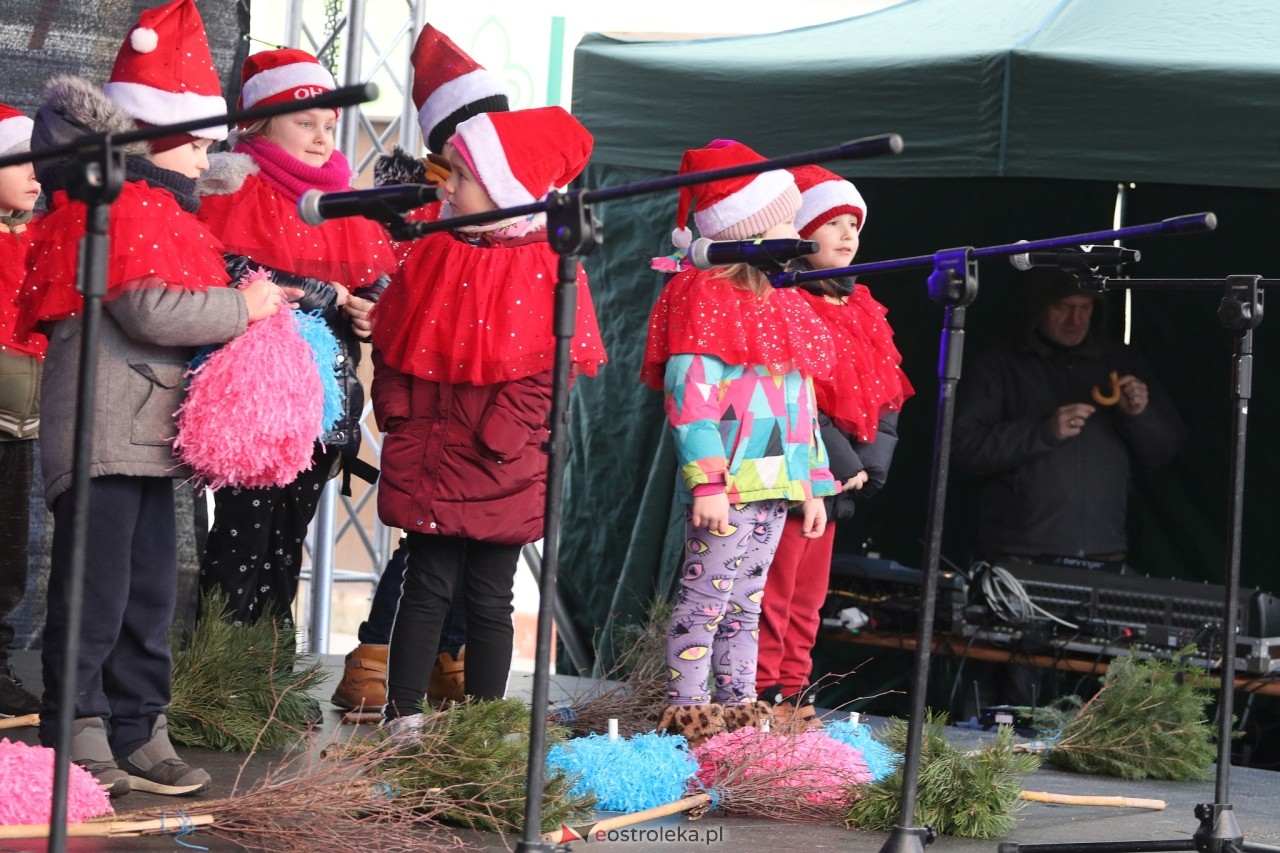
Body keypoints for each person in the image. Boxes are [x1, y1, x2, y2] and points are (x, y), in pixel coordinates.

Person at [19, 0, 296, 796]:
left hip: (146, 437)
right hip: (101, 436)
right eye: (200, 146)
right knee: (95, 590)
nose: (206, 163)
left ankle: (142, 725)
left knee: (150, 590)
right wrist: (241, 311)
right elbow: (148, 307)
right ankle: (77, 723)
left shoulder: (163, 210)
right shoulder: (115, 207)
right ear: (156, 136)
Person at [370, 105, 607, 733]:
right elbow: (393, 342)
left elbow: (553, 370)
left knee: (489, 598)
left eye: (463, 177)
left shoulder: (544, 265)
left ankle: (480, 727)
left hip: (499, 463)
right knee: (425, 586)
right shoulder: (436, 251)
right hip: (431, 451)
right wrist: (398, 412)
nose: (445, 185)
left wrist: (501, 437)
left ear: (502, 191)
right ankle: (404, 716)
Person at [330, 22, 511, 713]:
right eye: (485, 125)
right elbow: (379, 272)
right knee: (429, 546)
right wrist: (377, 308)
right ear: (453, 134)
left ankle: (450, 657)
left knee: (477, 544)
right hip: (432, 390)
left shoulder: (505, 204)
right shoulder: (414, 199)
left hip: (487, 390)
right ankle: (375, 658)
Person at [641, 140, 837, 746]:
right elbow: (690, 397)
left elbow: (803, 408)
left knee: (747, 608)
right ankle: (688, 718)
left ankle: (738, 714)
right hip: (730, 488)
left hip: (777, 486)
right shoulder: (704, 298)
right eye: (783, 219)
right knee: (705, 605)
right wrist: (707, 480)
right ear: (747, 231)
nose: (795, 229)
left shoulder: (784, 304)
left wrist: (815, 486)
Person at [194, 48, 396, 629]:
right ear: (260, 123)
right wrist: (319, 290)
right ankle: (218, 675)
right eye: (304, 123)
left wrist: (369, 308)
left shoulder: (340, 199)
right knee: (242, 536)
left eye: (329, 126)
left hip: (325, 398)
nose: (319, 139)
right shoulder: (234, 186)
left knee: (290, 537)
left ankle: (272, 670)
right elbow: (228, 267)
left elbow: (372, 277)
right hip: (257, 402)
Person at [952, 267, 1186, 705]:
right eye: (1063, 307)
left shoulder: (1120, 362)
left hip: (1105, 559)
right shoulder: (1000, 363)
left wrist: (1142, 413)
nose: (1075, 319)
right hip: (1022, 559)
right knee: (1017, 699)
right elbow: (962, 449)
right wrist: (1043, 430)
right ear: (1038, 310)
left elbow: (1165, 450)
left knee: (1105, 693)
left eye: (1085, 309)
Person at [755, 164, 913, 730]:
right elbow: (795, 398)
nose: (849, 235)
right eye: (833, 222)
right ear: (802, 232)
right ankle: (763, 695)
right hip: (796, 476)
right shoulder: (785, 301)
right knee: (774, 594)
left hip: (841, 483)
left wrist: (869, 464)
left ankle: (796, 697)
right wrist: (840, 463)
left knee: (808, 599)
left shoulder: (863, 307)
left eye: (854, 224)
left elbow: (888, 395)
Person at [0, 103, 43, 718]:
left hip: (23, 425)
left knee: (10, 551)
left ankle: (1, 666)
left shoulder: (39, 236)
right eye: (23, 161)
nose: (39, 175)